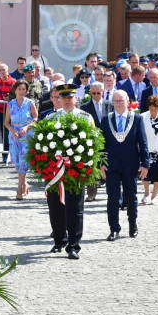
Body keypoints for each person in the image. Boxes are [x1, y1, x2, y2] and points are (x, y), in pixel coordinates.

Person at [43, 84, 92, 259]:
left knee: (75, 208)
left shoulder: (85, 118)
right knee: (55, 206)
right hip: (56, 170)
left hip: (75, 170)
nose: (67, 101)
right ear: (58, 99)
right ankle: (59, 240)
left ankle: (73, 245)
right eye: (63, 98)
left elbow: (92, 143)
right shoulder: (52, 117)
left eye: (70, 97)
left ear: (76, 98)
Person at [100, 90, 150, 240]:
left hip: (131, 164)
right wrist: (101, 163)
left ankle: (132, 225)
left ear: (128, 102)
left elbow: (143, 142)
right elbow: (101, 144)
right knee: (113, 198)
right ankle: (114, 229)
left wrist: (145, 164)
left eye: (121, 101)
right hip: (111, 166)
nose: (118, 104)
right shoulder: (105, 119)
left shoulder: (137, 118)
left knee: (131, 197)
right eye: (115, 101)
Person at [5, 79, 37, 199]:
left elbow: (35, 118)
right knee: (17, 161)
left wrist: (27, 127)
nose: (22, 91)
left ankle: (19, 187)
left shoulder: (30, 103)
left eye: (24, 89)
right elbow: (7, 122)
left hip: (26, 134)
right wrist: (12, 130)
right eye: (20, 89)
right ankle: (24, 183)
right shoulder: (10, 104)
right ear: (15, 90)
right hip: (14, 135)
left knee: (24, 160)